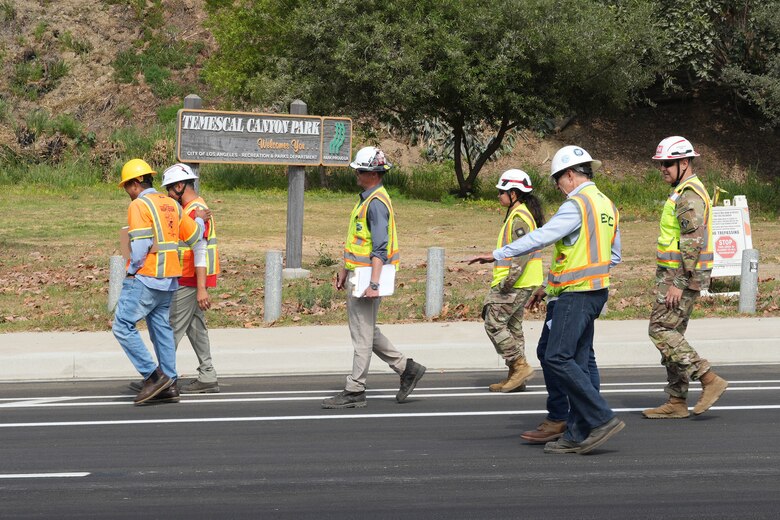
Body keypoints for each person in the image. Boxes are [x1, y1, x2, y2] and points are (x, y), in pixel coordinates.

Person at [470, 145, 623, 455]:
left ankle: (600, 418)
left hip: (576, 294)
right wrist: (555, 282)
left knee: (556, 357)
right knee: (579, 359)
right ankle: (579, 431)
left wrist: (498, 254)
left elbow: (542, 236)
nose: (558, 186)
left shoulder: (577, 203)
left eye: (558, 179)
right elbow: (614, 255)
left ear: (570, 174)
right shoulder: (607, 204)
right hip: (595, 291)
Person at [322, 146, 426, 409]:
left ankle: (355, 389)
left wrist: (374, 284)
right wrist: (344, 269)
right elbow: (357, 242)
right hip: (359, 274)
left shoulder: (376, 204)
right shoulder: (367, 199)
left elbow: (379, 247)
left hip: (368, 277)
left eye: (360, 169)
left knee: (362, 335)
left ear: (373, 173)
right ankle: (407, 368)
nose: (356, 173)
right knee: (367, 330)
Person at [643, 136, 728, 419]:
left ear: (684, 162)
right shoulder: (683, 190)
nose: (663, 169)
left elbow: (692, 241)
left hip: (680, 278)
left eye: (667, 163)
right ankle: (677, 401)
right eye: (661, 164)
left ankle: (707, 378)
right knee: (673, 334)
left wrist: (678, 283)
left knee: (660, 330)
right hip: (677, 275)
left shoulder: (689, 194)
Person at [113, 158, 202, 405]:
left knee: (122, 326)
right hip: (169, 280)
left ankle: (154, 377)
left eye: (127, 187)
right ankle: (170, 384)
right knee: (160, 328)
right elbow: (195, 235)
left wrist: (132, 270)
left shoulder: (140, 205)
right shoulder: (170, 204)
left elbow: (140, 245)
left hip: (147, 278)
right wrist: (202, 219)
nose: (127, 193)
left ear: (136, 183)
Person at [481, 169, 545, 393]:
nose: (498, 195)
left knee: (494, 323)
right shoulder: (520, 213)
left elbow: (523, 252)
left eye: (502, 191)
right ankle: (516, 377)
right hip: (525, 281)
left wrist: (509, 281)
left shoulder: (519, 217)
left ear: (514, 194)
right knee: (513, 327)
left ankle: (519, 367)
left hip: (517, 281)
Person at [160, 163, 221, 394]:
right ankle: (207, 374)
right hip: (190, 278)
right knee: (195, 327)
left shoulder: (196, 210)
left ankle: (160, 378)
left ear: (179, 185)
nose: (167, 194)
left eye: (169, 189)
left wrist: (201, 288)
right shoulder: (193, 209)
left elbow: (200, 249)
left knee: (171, 328)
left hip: (189, 278)